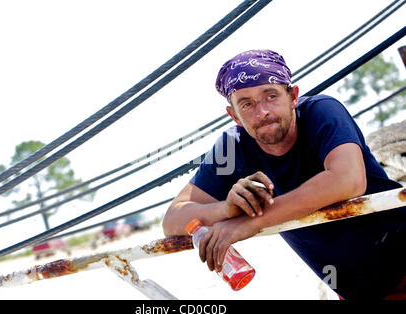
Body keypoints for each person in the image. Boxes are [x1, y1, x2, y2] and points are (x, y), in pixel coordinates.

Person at [162, 49, 405, 300]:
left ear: (293, 96)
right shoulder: (233, 148)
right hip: (357, 292)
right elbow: (172, 220)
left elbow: (348, 180)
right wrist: (228, 210)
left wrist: (250, 222)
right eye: (246, 104)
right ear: (234, 115)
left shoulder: (320, 112)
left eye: (271, 96)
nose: (262, 111)